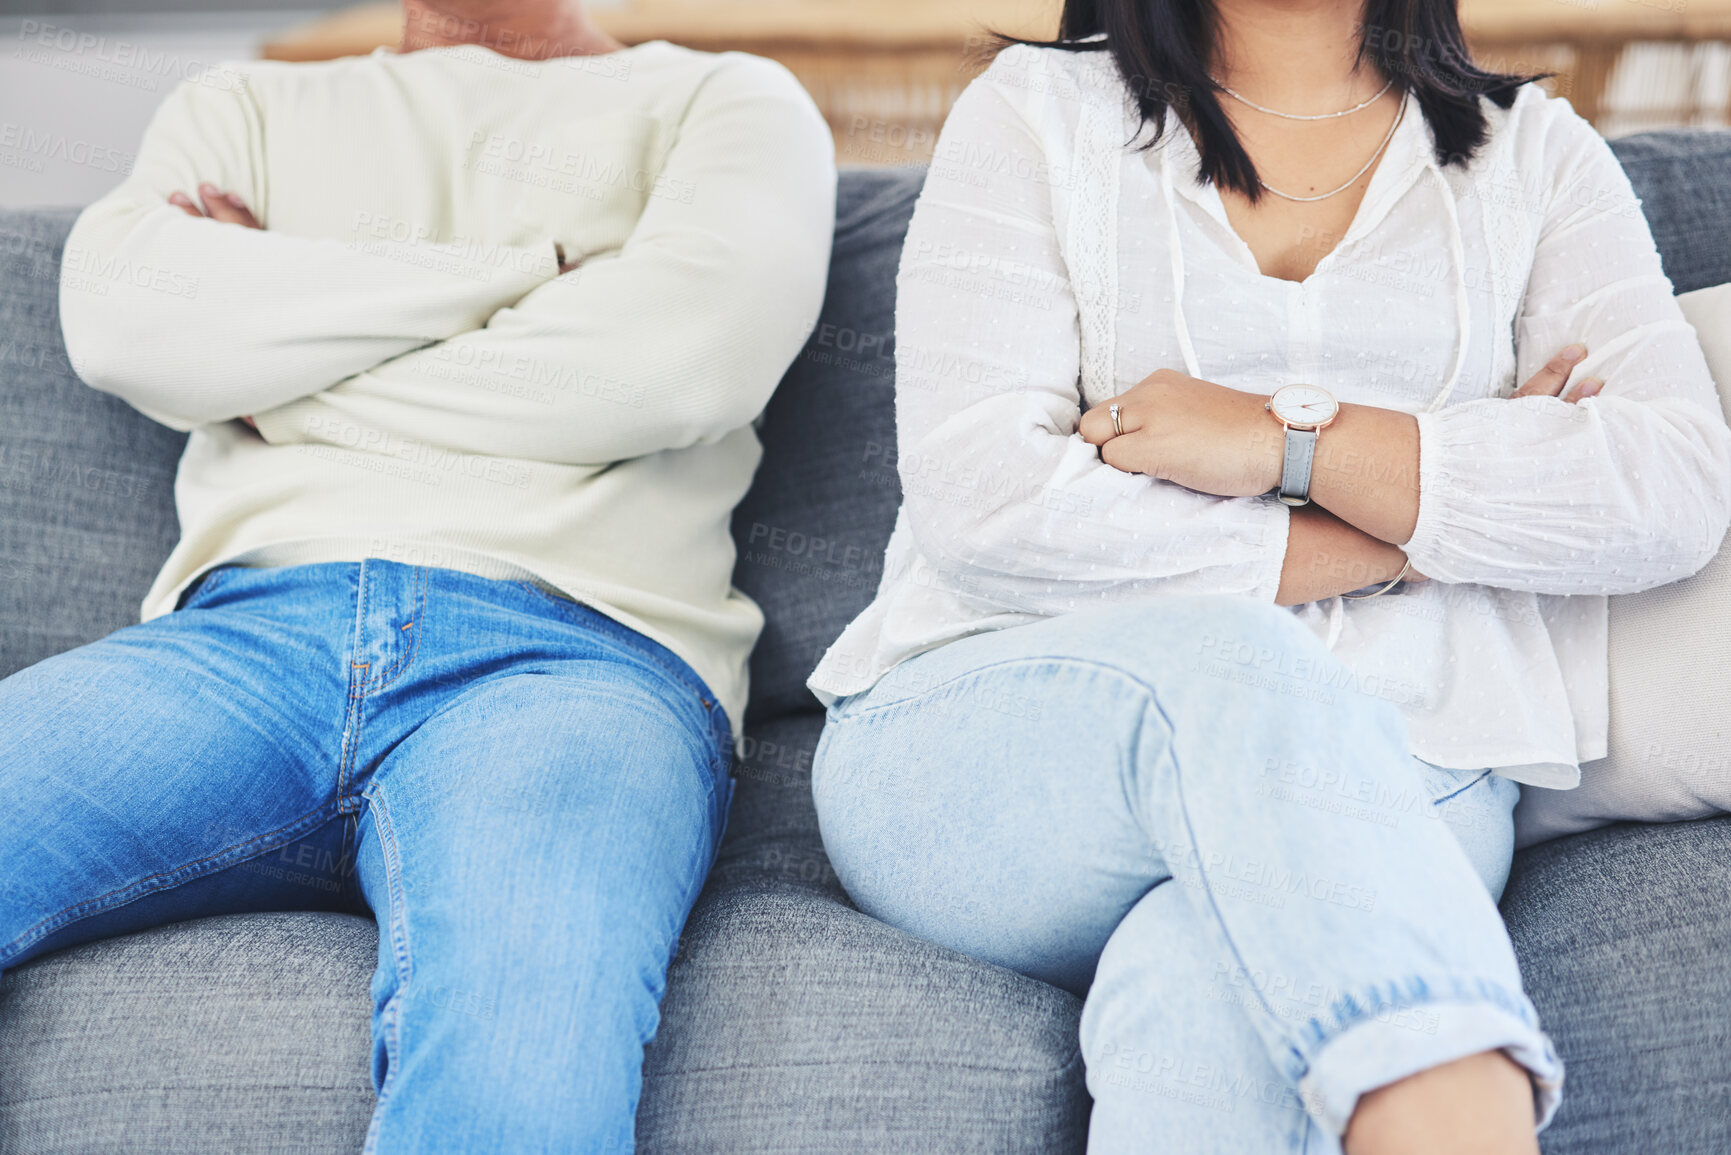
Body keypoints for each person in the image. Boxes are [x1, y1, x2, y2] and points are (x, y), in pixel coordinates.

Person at [806, 1, 1731, 1152]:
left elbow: (1671, 487)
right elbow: (990, 504)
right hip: (995, 749)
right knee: (1246, 659)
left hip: (1410, 759)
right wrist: (1409, 526)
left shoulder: (1535, 155)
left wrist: (1287, 440)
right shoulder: (1032, 118)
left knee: (1216, 981)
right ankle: (1460, 1112)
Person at [0, 0, 835, 1147]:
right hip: (242, 638)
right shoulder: (244, 106)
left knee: (521, 1049)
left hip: (572, 664)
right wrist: (524, 275)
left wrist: (280, 368)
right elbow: (120, 325)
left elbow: (674, 367)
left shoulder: (726, 100)